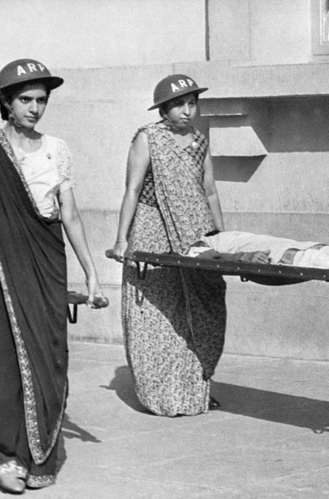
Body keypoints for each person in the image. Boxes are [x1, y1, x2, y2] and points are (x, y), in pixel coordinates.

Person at [0, 59, 105, 494]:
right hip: (3, 260)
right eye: (25, 99)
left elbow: (70, 214)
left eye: (41, 99)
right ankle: (2, 456)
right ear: (5, 103)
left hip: (48, 259)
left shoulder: (58, 149)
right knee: (5, 358)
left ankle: (41, 454)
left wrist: (92, 274)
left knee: (51, 354)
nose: (35, 108)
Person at [110, 74, 227, 417]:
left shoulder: (200, 142)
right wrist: (121, 238)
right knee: (158, 313)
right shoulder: (148, 138)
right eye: (179, 104)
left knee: (203, 306)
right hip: (152, 230)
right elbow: (131, 190)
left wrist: (222, 236)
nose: (187, 111)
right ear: (163, 108)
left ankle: (197, 386)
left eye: (192, 104)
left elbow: (210, 191)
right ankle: (161, 392)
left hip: (195, 233)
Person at [184, 230, 329, 272]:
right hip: (279, 254)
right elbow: (210, 257)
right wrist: (242, 257)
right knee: (311, 256)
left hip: (286, 247)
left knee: (317, 251)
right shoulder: (198, 248)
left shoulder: (217, 237)